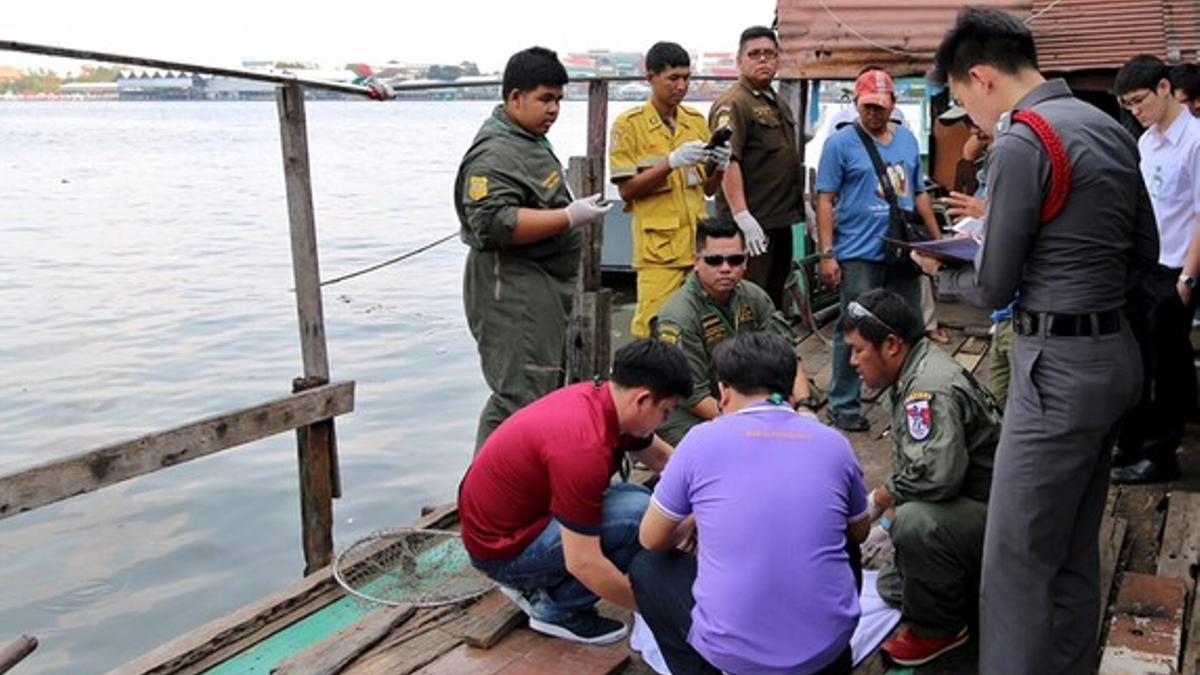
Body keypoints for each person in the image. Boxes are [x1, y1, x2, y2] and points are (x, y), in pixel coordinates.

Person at [921, 8, 1157, 673]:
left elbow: (995, 284)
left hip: (1054, 368)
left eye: (965, 103)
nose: (972, 119)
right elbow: (1149, 249)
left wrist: (956, 254)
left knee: (1017, 559)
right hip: (1115, 355)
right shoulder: (1106, 125)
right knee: (1074, 544)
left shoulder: (1025, 138)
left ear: (982, 76)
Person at [631, 331, 868, 675]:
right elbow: (858, 532)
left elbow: (650, 538)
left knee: (647, 568)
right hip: (826, 652)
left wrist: (699, 517)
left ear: (724, 392)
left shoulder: (699, 442)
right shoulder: (834, 444)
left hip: (734, 656)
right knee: (843, 538)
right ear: (790, 390)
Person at [458, 339, 690, 645]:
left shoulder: (607, 402)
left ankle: (540, 582)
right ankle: (555, 610)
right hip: (501, 550)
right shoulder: (583, 446)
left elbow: (664, 460)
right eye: (666, 411)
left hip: (521, 520)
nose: (666, 421)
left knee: (639, 501)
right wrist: (657, 610)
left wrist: (707, 502)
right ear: (642, 399)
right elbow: (582, 562)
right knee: (636, 520)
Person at [455, 47, 613, 450]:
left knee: (541, 386)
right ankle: (489, 494)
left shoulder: (526, 139)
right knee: (518, 395)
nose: (554, 109)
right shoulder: (495, 153)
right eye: (545, 99)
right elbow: (492, 223)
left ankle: (517, 488)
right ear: (514, 98)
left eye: (559, 99)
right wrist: (568, 218)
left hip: (540, 284)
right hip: (511, 288)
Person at [843, 289, 1000, 666]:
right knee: (893, 584)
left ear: (893, 345)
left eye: (858, 349)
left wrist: (882, 499)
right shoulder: (918, 368)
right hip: (981, 503)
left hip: (999, 518)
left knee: (914, 525)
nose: (852, 362)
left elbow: (936, 476)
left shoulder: (928, 390)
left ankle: (939, 630)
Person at [815, 68, 940, 432]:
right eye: (868, 106)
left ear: (893, 105)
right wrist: (827, 253)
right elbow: (825, 199)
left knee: (907, 324)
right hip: (858, 250)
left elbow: (918, 193)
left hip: (900, 250)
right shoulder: (839, 143)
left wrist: (936, 242)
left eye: (881, 106)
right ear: (856, 104)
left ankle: (907, 395)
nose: (874, 113)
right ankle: (843, 403)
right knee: (853, 327)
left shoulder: (906, 140)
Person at [1111, 55, 1200, 484]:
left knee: (1169, 367)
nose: (1135, 110)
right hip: (1140, 269)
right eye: (1127, 105)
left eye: (1139, 100)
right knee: (1134, 363)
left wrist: (1188, 276)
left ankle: (1162, 455)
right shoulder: (1146, 141)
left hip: (1175, 272)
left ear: (1164, 88)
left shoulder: (1195, 141)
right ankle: (1130, 441)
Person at [651, 217, 813, 445]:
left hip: (742, 397)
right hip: (686, 410)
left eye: (735, 260)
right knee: (728, 450)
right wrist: (754, 426)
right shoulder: (679, 314)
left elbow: (786, 357)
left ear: (746, 261)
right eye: (714, 261)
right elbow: (693, 396)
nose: (726, 269)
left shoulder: (753, 297)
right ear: (696, 261)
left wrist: (805, 407)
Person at [610, 41, 729, 338]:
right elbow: (627, 191)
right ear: (650, 77)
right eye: (673, 78)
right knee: (654, 328)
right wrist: (670, 162)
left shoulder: (695, 122)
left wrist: (721, 164)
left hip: (698, 248)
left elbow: (708, 189)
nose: (682, 86)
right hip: (658, 252)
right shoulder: (630, 125)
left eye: (687, 78)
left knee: (703, 329)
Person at [708, 26, 804, 310]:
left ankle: (771, 354)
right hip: (751, 224)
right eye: (754, 54)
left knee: (773, 299)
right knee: (749, 300)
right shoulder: (734, 103)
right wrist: (742, 215)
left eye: (769, 54)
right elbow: (728, 161)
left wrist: (802, 205)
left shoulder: (776, 102)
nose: (763, 60)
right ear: (739, 61)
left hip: (779, 220)